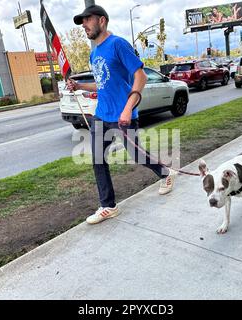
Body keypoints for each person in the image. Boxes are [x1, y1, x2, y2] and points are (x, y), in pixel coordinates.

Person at [68, 5, 176, 224]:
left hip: (123, 115)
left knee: (136, 155)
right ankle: (108, 206)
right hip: (102, 115)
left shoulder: (117, 44)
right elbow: (103, 85)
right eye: (82, 22)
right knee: (98, 159)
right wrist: (79, 85)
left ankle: (166, 173)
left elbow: (140, 76)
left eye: (88, 20)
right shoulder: (94, 52)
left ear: (102, 21)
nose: (84, 26)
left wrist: (127, 108)